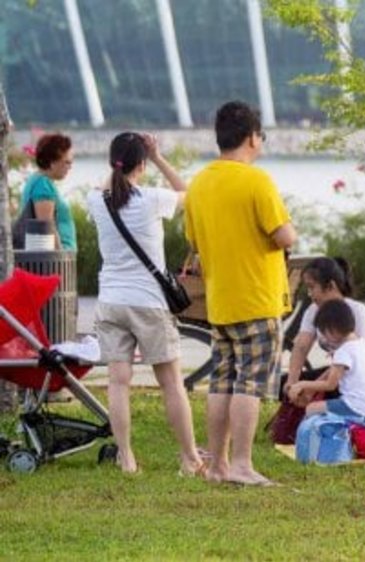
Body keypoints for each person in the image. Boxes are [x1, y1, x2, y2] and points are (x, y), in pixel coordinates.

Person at [184, 101, 297, 486]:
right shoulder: (257, 181)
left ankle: (217, 465)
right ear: (252, 137)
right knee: (250, 383)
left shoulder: (199, 184)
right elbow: (285, 236)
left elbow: (195, 244)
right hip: (257, 299)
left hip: (220, 302)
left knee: (221, 381)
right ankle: (243, 465)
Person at [85, 132, 202, 475]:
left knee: (118, 382)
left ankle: (127, 458)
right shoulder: (151, 198)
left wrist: (123, 162)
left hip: (110, 301)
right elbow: (191, 195)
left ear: (112, 162)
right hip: (148, 303)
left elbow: (105, 184)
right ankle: (189, 459)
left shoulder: (97, 201)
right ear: (142, 164)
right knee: (171, 383)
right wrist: (158, 157)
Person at [284, 257, 365, 405]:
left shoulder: (358, 312)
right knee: (284, 383)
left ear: (330, 286)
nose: (309, 294)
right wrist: (292, 383)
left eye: (312, 287)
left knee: (309, 393)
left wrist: (311, 388)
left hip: (361, 388)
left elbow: (349, 365)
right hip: (337, 377)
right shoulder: (313, 310)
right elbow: (301, 347)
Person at [288, 299, 365, 423]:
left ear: (333, 328)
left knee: (311, 409)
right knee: (322, 408)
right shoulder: (362, 344)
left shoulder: (343, 352)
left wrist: (301, 384)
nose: (324, 337)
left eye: (324, 332)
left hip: (353, 407)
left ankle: (312, 441)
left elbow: (330, 385)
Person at [20, 133, 76, 250]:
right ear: (52, 162)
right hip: (53, 262)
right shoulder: (43, 185)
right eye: (67, 162)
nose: (70, 167)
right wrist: (60, 259)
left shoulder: (38, 180)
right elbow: (46, 229)